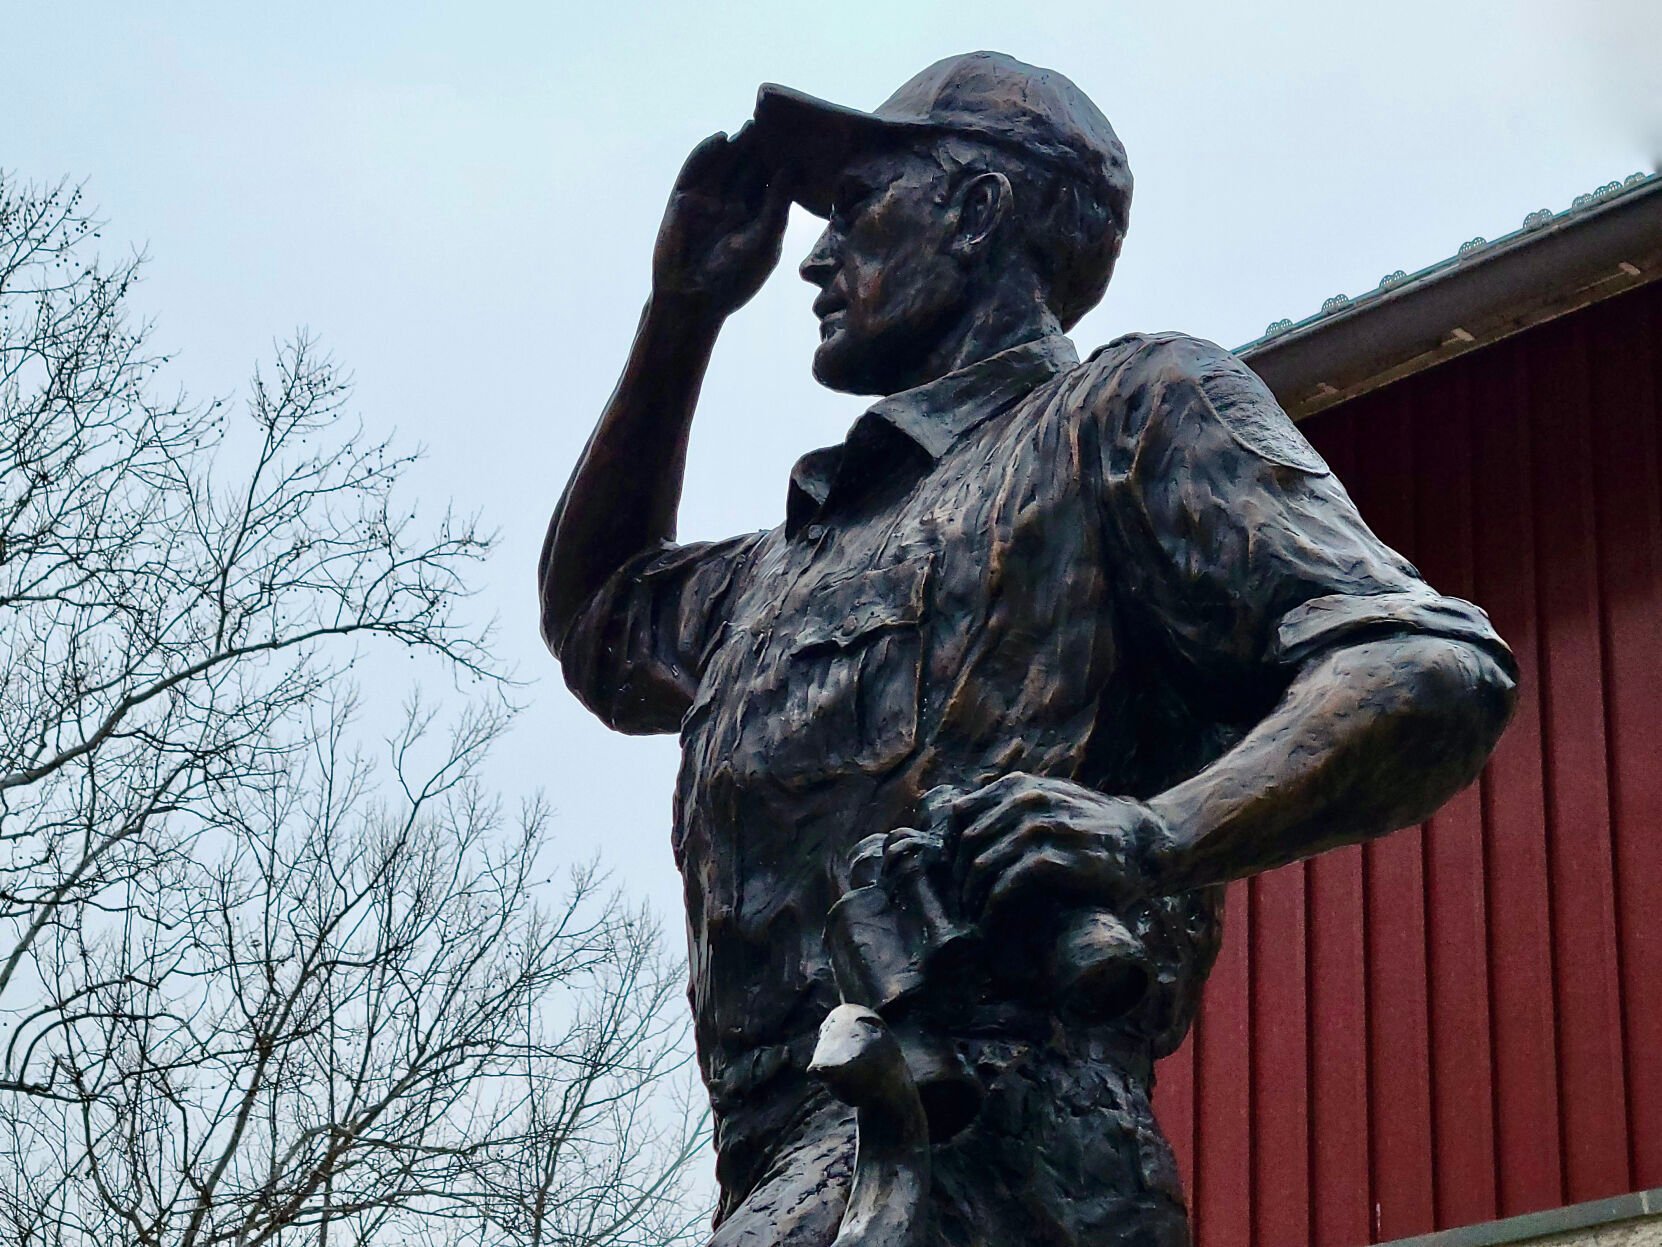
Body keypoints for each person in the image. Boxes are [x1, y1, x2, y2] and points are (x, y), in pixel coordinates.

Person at [539, 51, 1517, 1247]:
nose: (814, 252)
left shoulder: (1128, 412)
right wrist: (679, 315)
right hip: (789, 1170)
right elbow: (600, 621)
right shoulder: (785, 564)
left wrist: (1149, 832)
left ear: (977, 210)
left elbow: (1430, 667)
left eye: (856, 204)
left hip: (1003, 1149)